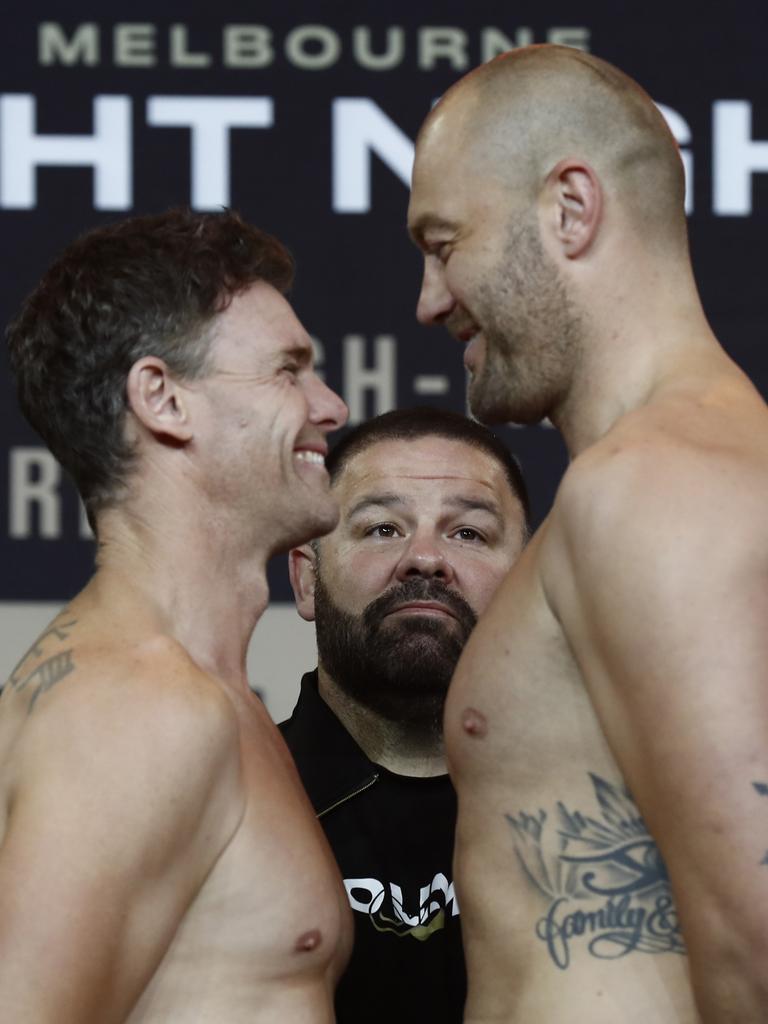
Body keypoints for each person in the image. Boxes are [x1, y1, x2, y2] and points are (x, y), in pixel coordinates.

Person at [408, 44, 768, 1023]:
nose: (429, 300)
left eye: (444, 244)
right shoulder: (668, 474)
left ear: (571, 208)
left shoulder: (656, 487)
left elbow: (753, 940)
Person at [1, 207, 352, 1023]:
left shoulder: (199, 691)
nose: (329, 405)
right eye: (288, 371)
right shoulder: (139, 708)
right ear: (163, 399)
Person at [281, 407, 530, 1023]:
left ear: (529, 583)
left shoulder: (603, 819)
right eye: (382, 529)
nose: (425, 559)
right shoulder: (227, 802)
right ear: (308, 580)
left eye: (467, 533)